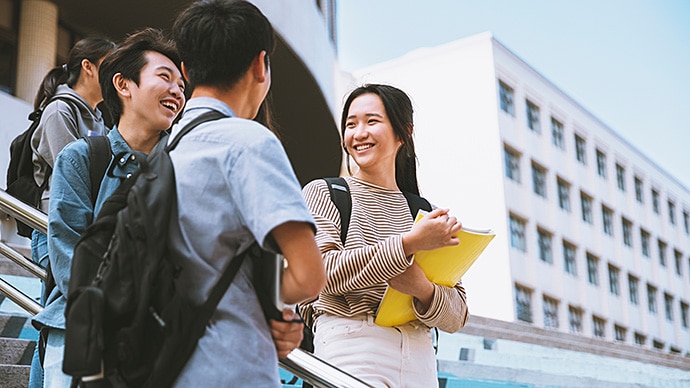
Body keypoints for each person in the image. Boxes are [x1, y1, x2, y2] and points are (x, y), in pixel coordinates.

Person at [169, 0, 326, 386]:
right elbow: (308, 276)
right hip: (229, 366)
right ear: (260, 65)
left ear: (186, 71)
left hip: (165, 361)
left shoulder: (164, 148)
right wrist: (271, 307)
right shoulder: (249, 142)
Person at [34, 28, 186, 387]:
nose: (178, 91)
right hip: (83, 329)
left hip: (157, 335)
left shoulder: (185, 164)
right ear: (123, 84)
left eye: (182, 84)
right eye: (165, 77)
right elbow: (67, 251)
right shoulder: (83, 158)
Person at [300, 84, 470, 387]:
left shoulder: (423, 211)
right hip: (351, 345)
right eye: (351, 124)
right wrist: (408, 244)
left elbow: (457, 316)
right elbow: (319, 272)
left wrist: (423, 289)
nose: (359, 133)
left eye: (371, 121)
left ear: (403, 132)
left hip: (419, 355)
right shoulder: (325, 192)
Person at [27, 36, 115, 388]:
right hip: (55, 226)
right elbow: (71, 171)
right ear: (88, 67)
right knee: (58, 314)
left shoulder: (97, 117)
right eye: (109, 64)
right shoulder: (59, 110)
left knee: (62, 314)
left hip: (87, 227)